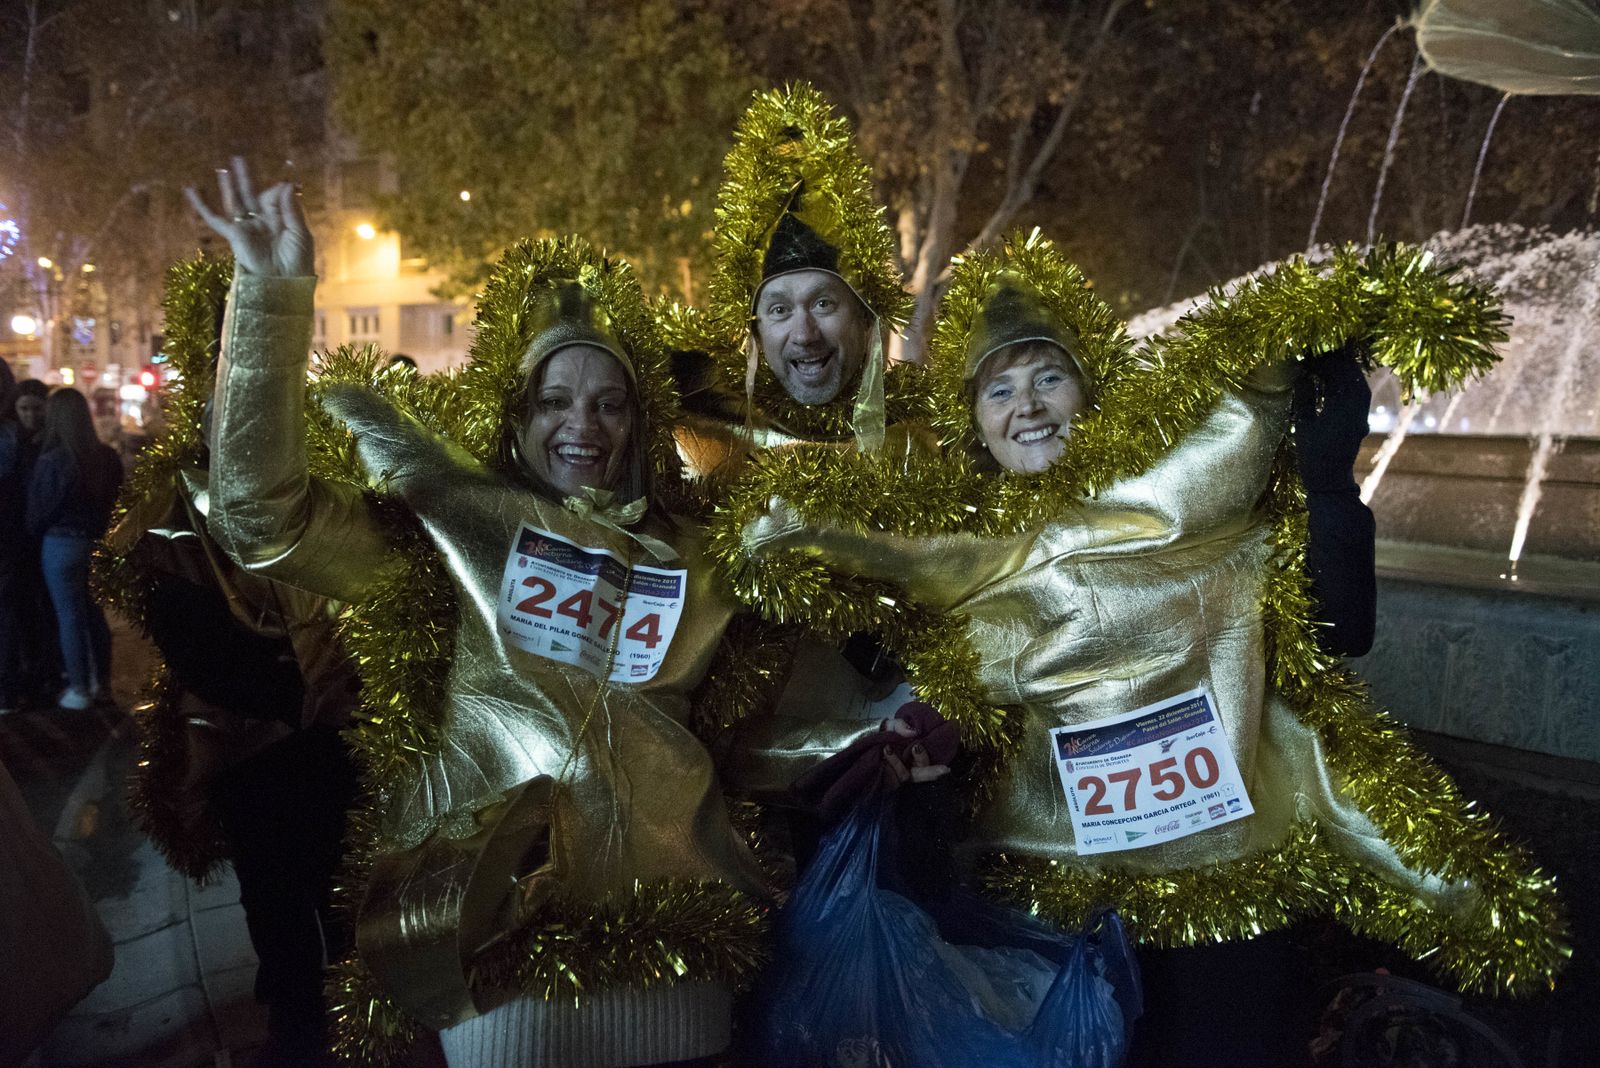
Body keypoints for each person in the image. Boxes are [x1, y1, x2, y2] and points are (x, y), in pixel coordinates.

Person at [723, 231, 1563, 1018]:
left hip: (1231, 903)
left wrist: (1330, 485)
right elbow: (898, 636)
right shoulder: (972, 549)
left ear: (1092, 392)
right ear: (973, 422)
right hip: (1057, 913)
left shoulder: (1187, 497)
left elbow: (1340, 628)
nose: (1027, 406)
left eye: (1049, 378)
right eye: (998, 389)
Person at [189, 161, 767, 1067]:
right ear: (518, 412)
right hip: (503, 972)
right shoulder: (452, 531)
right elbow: (258, 520)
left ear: (641, 423)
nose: (586, 424)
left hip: (681, 973)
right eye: (556, 400)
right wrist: (269, 294)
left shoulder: (701, 552)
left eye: (611, 402)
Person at [100, 254, 360, 1067]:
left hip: (334, 741)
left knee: (342, 894)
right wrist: (292, 697)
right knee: (278, 903)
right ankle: (296, 1021)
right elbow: (188, 636)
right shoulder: (174, 513)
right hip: (253, 748)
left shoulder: (322, 492)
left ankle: (349, 1012)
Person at [27, 387, 122, 710]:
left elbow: (39, 510)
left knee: (69, 616)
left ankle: (79, 688)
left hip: (61, 543)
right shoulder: (107, 457)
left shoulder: (53, 460)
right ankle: (103, 686)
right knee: (95, 613)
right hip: (96, 542)